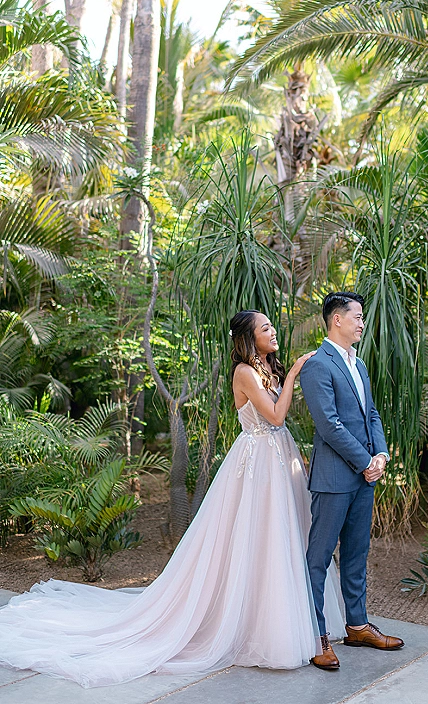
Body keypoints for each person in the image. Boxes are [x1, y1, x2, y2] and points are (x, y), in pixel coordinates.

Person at [0, 310, 343, 688]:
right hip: (258, 463)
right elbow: (276, 417)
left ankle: (292, 619)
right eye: (266, 328)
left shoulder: (267, 369)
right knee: (258, 537)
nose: (273, 332)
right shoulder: (245, 372)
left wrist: (287, 375)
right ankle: (258, 625)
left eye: (272, 327)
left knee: (287, 538)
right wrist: (293, 374)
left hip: (281, 459)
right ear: (248, 337)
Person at [300, 292, 405, 671]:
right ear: (336, 321)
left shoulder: (358, 364)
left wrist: (381, 455)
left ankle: (357, 626)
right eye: (357, 316)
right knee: (319, 558)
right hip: (333, 478)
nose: (362, 323)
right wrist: (364, 461)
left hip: (365, 477)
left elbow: (371, 413)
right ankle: (316, 636)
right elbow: (328, 424)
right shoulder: (317, 365)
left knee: (357, 554)